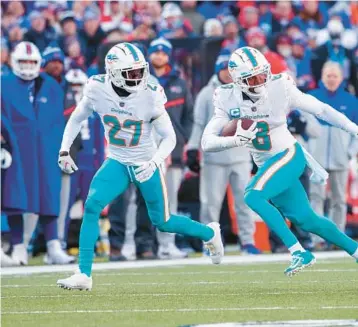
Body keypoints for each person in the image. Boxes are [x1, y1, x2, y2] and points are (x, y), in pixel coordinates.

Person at [56, 42, 224, 290]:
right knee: (91, 205)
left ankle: (210, 234)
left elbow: (170, 137)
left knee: (163, 221)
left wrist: (155, 162)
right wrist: (64, 149)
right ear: (113, 72)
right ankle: (84, 273)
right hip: (117, 161)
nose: (139, 77)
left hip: (146, 161)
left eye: (140, 71)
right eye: (131, 73)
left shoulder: (150, 92)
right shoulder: (97, 88)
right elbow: (76, 118)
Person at [201, 46, 358, 276]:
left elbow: (321, 110)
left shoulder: (280, 86)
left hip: (288, 155)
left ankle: (298, 251)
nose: (261, 81)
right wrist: (235, 140)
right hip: (267, 164)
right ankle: (355, 251)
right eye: (253, 78)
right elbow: (207, 142)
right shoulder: (226, 95)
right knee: (308, 220)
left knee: (252, 195)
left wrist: (353, 128)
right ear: (237, 79)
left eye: (263, 74)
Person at [1, 41, 75, 265]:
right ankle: (18, 246)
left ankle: (53, 245)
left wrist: (63, 148)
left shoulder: (51, 86)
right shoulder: (4, 84)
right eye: (23, 61)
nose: (27, 66)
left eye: (31, 62)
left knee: (48, 194)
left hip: (46, 148)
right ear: (14, 61)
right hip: (16, 148)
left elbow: (57, 121)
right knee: (15, 195)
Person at [187, 51, 260, 254]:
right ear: (218, 70)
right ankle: (209, 243)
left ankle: (247, 241)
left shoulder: (245, 90)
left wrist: (255, 153)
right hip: (214, 158)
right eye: (224, 70)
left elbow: (253, 121)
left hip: (240, 156)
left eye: (232, 70)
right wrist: (193, 148)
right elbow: (198, 124)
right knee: (211, 205)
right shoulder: (206, 94)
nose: (228, 74)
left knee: (245, 202)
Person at [147, 37, 193, 259]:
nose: (159, 56)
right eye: (155, 52)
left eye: (163, 52)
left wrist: (182, 139)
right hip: (145, 151)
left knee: (169, 200)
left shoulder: (179, 82)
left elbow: (189, 116)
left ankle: (167, 244)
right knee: (142, 200)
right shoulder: (140, 79)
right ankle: (141, 244)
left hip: (171, 151)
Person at [309, 61, 358, 250]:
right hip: (316, 160)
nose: (331, 79)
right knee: (316, 197)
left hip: (340, 159)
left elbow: (356, 132)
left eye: (334, 75)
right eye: (328, 75)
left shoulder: (351, 101)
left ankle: (338, 238)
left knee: (339, 199)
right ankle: (317, 239)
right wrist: (309, 152)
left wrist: (350, 152)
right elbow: (303, 127)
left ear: (341, 78)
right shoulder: (312, 98)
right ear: (322, 77)